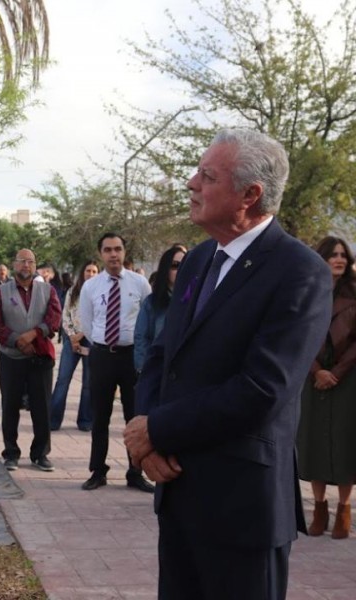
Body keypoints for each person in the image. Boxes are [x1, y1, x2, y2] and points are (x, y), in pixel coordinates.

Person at [124, 129, 331, 600]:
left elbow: (263, 389)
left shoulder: (299, 271)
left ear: (250, 195)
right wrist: (147, 437)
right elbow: (163, 355)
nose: (191, 183)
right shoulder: (198, 260)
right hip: (177, 489)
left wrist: (157, 430)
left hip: (242, 506)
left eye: (207, 175)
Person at [78, 233, 153, 493]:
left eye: (118, 249)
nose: (113, 254)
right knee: (100, 416)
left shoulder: (140, 283)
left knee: (134, 415)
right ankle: (98, 471)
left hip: (131, 358)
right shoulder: (91, 286)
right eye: (108, 250)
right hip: (101, 356)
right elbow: (87, 324)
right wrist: (102, 343)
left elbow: (148, 320)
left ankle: (136, 471)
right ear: (100, 253)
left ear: (124, 252)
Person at [297, 236, 356, 540]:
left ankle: (343, 509)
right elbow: (296, 334)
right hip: (312, 375)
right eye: (332, 254)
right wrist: (317, 371)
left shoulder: (354, 293)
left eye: (343, 255)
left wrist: (337, 372)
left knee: (345, 443)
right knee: (313, 443)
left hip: (347, 378)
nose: (339, 259)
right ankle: (319, 508)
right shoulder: (307, 291)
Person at [0, 248, 61, 472]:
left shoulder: (48, 290)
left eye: (30, 261)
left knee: (42, 406)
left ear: (35, 265)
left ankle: (40, 454)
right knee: (10, 405)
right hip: (11, 357)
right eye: (21, 261)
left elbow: (54, 319)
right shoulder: (1, 292)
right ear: (14, 264)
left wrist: (34, 334)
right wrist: (17, 340)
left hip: (39, 358)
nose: (26, 265)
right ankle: (11, 453)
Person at [50, 260, 98, 431]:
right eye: (88, 270)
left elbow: (98, 317)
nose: (90, 274)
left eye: (94, 271)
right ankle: (53, 420)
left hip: (91, 341)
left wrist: (82, 334)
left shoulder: (100, 292)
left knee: (88, 383)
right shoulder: (73, 291)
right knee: (63, 379)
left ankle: (85, 420)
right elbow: (66, 315)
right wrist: (72, 336)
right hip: (71, 339)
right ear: (82, 272)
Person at [133, 246, 186, 373]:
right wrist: (144, 369)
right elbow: (141, 338)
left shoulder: (197, 298)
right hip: (159, 369)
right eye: (175, 265)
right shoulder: (151, 302)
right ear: (165, 268)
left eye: (185, 264)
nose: (180, 269)